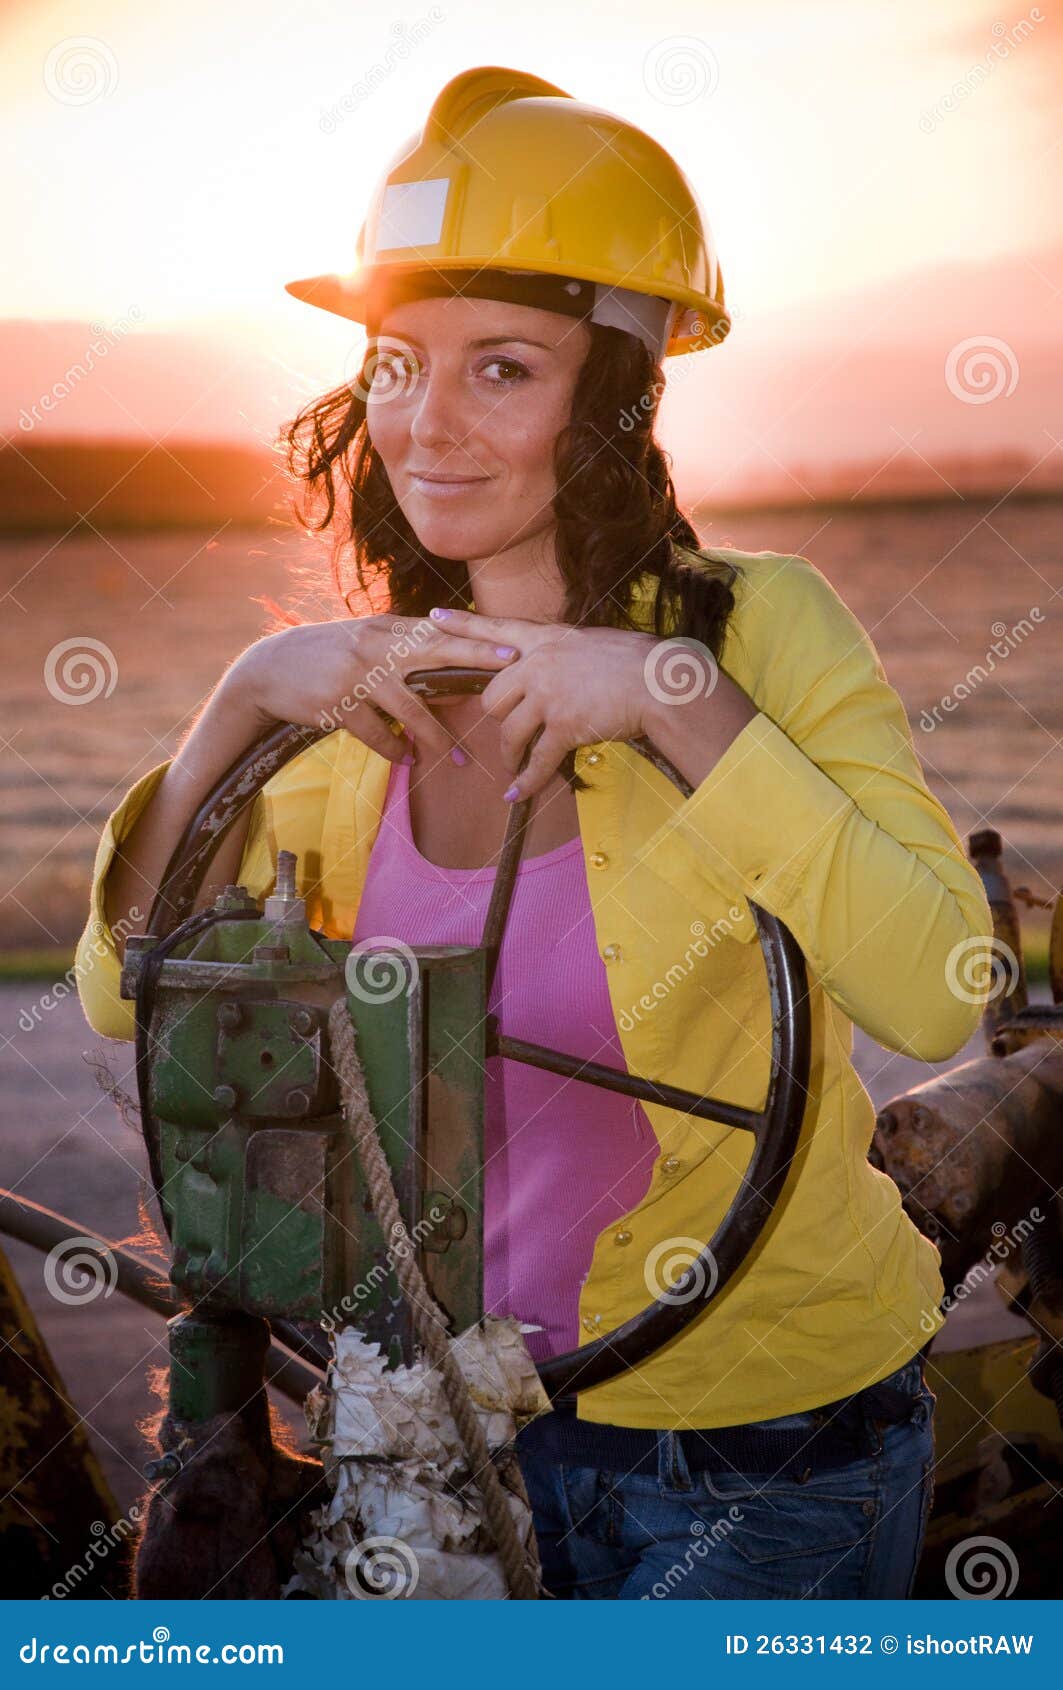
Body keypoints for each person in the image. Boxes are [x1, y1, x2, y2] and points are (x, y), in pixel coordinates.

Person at [75, 65, 994, 1599]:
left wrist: (669, 692)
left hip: (764, 1451)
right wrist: (236, 699)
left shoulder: (761, 633)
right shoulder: (339, 710)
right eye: (392, 365)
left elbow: (938, 984)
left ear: (619, 397)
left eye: (502, 367)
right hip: (438, 1438)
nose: (424, 426)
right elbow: (124, 991)